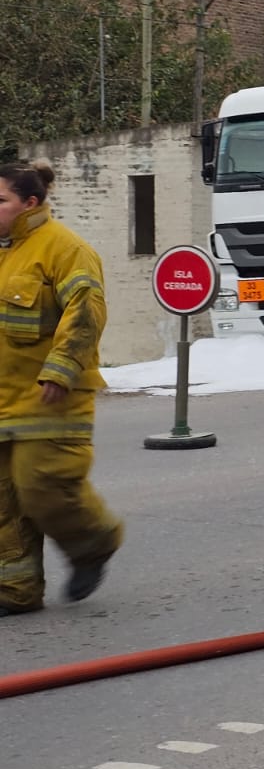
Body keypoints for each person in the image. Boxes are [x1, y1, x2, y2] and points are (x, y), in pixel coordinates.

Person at [0, 160, 122, 616]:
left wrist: (61, 368)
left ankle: (95, 544)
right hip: (2, 401)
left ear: (29, 203)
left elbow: (86, 312)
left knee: (42, 489)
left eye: (1, 200)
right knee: (3, 505)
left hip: (50, 398)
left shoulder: (66, 249)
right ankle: (15, 590)